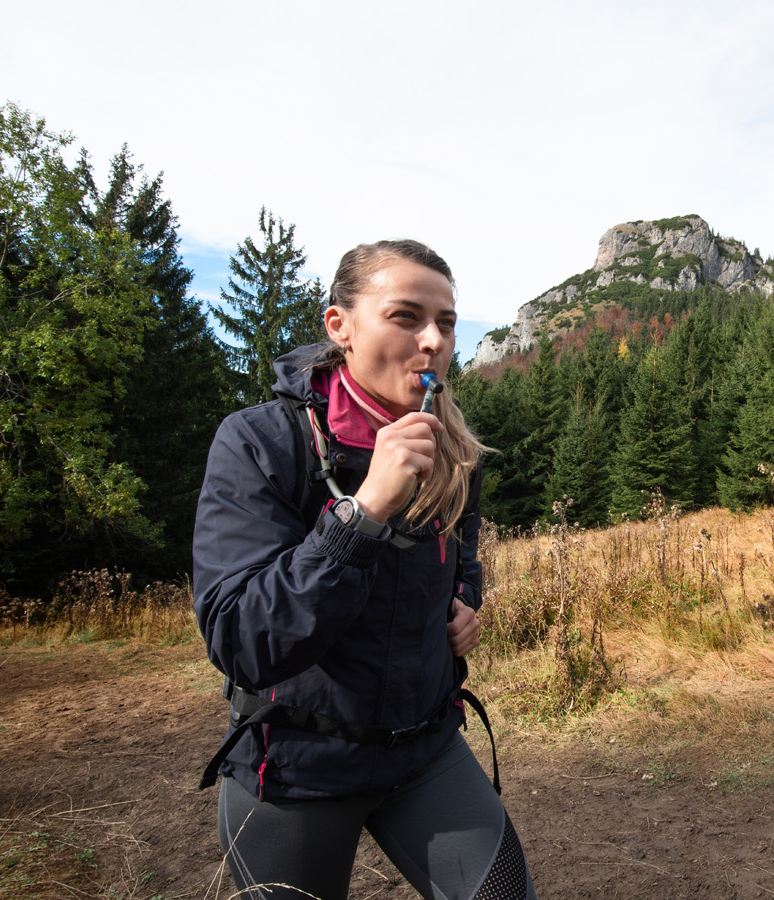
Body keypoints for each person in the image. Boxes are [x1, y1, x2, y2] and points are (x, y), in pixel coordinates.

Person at [192, 239, 538, 900]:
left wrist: (464, 601)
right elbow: (242, 640)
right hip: (295, 770)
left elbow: (463, 553)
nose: (433, 340)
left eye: (446, 323)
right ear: (339, 327)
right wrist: (362, 511)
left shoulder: (452, 447)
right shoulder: (260, 443)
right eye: (406, 317)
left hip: (426, 750)